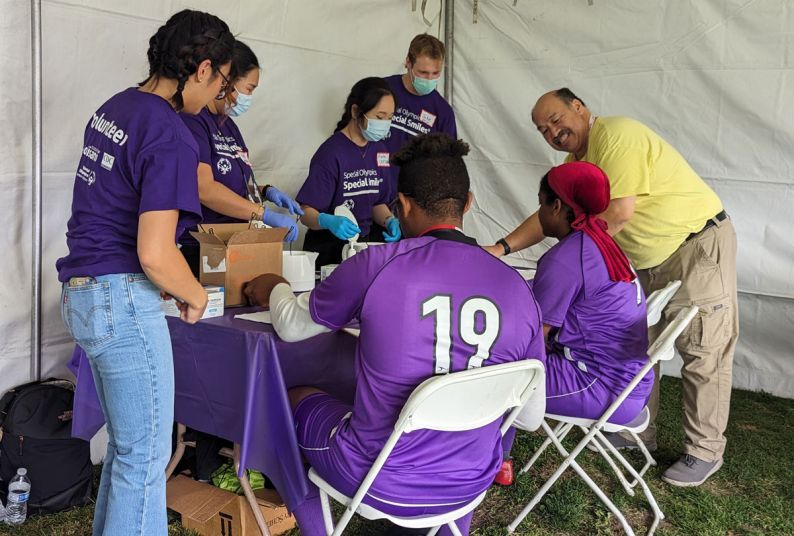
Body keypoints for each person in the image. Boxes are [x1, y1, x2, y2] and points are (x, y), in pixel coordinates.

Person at [244, 133, 545, 536]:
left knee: (289, 400)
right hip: (469, 482)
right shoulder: (519, 288)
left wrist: (275, 285)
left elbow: (292, 326)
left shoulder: (377, 264)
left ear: (400, 206)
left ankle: (317, 528)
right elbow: (529, 416)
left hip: (378, 479)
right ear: (469, 202)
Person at [488, 88, 738, 487]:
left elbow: (617, 214)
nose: (552, 132)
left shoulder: (617, 136)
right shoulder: (576, 170)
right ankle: (634, 429)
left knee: (702, 347)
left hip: (694, 244)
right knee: (637, 343)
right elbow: (557, 215)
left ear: (579, 107)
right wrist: (501, 248)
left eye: (555, 119)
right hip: (640, 258)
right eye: (542, 129)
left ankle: (703, 449)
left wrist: (574, 253)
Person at [56, 10, 234, 535]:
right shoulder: (172, 132)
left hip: (84, 292)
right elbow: (155, 253)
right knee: (146, 458)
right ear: (201, 69)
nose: (219, 97)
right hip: (120, 300)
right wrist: (194, 293)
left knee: (130, 453)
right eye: (222, 82)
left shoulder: (116, 107)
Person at [179, 40, 301, 276]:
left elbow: (233, 178)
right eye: (249, 88)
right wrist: (264, 214)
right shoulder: (194, 120)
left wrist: (265, 191)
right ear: (227, 78)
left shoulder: (228, 125)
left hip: (235, 243)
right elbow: (204, 188)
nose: (250, 96)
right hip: (203, 247)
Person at [296, 77, 402, 268]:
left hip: (361, 247)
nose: (385, 124)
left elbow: (376, 202)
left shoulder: (380, 150)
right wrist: (326, 221)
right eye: (379, 117)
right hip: (328, 251)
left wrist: (389, 220)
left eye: (390, 117)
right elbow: (305, 212)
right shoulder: (331, 153)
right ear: (355, 111)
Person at [370, 33, 458, 241]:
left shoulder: (442, 112)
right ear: (408, 63)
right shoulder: (382, 90)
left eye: (435, 73)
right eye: (423, 72)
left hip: (410, 208)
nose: (429, 79)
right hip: (371, 192)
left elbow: (447, 167)